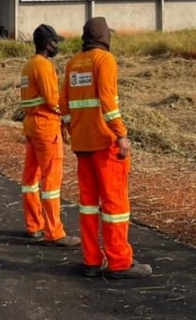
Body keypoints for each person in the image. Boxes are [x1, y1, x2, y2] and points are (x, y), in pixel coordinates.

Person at [61, 17, 152, 279]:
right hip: (104, 143)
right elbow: (107, 101)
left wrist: (70, 128)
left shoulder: (73, 63)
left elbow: (63, 102)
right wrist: (121, 134)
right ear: (104, 37)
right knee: (115, 206)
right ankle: (119, 263)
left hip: (82, 144)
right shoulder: (105, 61)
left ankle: (91, 260)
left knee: (88, 205)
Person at [20, 23, 80, 247]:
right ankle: (54, 232)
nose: (57, 46)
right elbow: (53, 100)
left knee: (30, 179)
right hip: (46, 126)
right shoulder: (44, 66)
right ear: (47, 44)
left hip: (31, 125)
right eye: (55, 42)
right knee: (51, 179)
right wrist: (67, 118)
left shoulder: (28, 66)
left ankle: (33, 225)